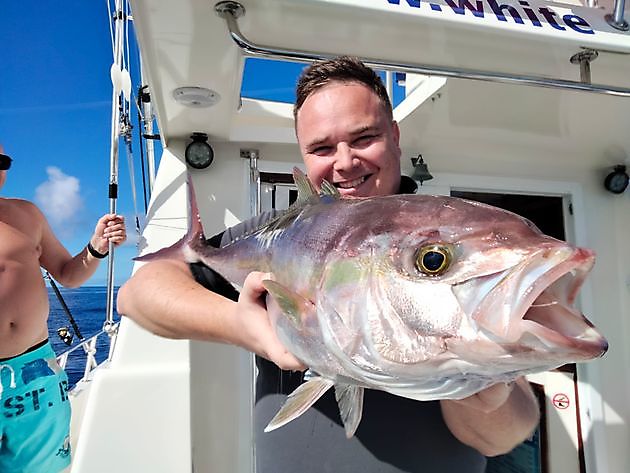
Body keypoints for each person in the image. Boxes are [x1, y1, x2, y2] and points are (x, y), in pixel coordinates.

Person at [117, 57, 540, 472]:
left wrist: (485, 387)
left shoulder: (442, 233)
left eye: (363, 138)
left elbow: (502, 436)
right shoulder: (278, 233)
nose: (344, 163)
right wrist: (245, 327)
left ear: (394, 135)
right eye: (321, 147)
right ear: (303, 154)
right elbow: (137, 295)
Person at [0, 145, 127, 473]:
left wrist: (97, 247)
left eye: (1, 162)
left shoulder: (27, 215)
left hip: (35, 373)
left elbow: (69, 274)